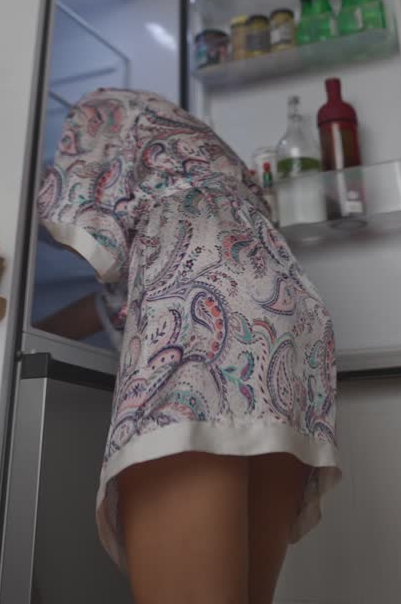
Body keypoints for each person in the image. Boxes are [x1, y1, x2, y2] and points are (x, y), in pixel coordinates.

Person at [36, 88, 340, 604]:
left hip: (199, 308)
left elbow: (90, 234)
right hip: (287, 312)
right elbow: (111, 300)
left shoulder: (102, 106)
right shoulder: (206, 158)